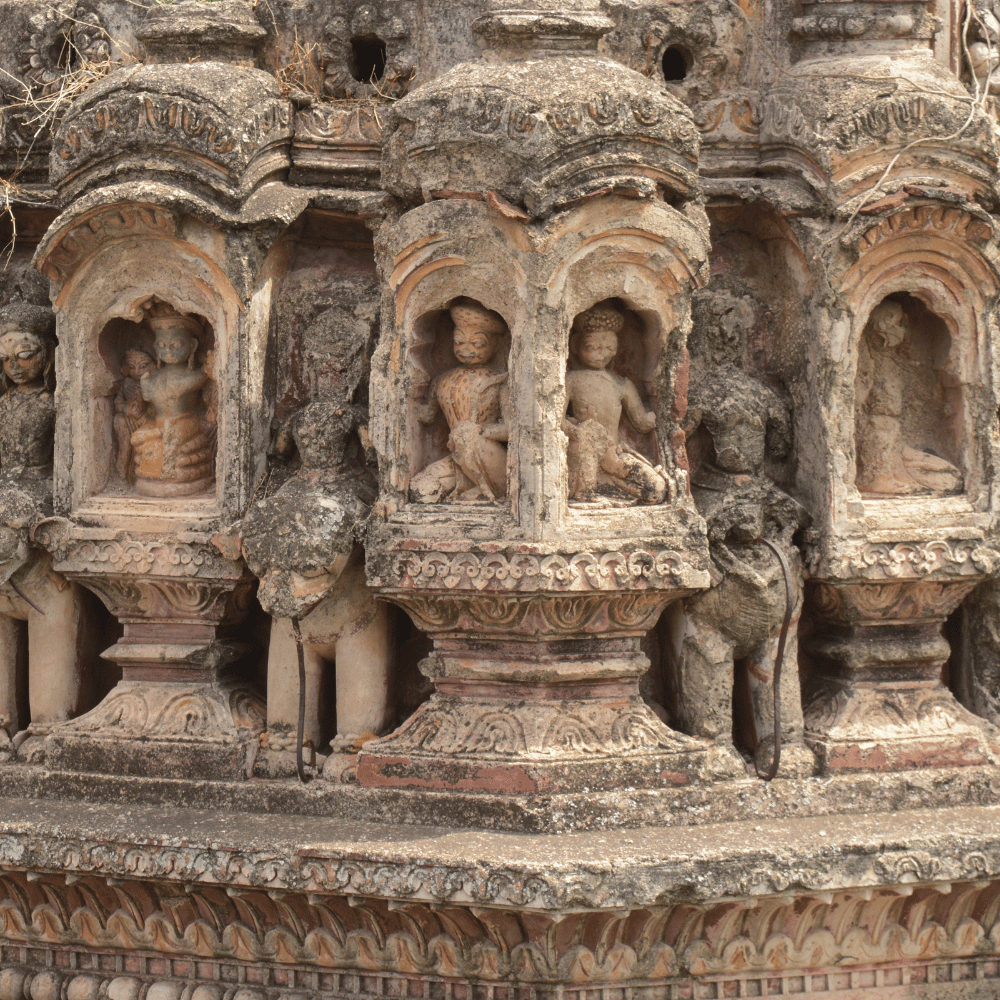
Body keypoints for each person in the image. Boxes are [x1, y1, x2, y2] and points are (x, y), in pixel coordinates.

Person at [563, 301, 669, 504]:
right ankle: (589, 492)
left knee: (656, 489)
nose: (601, 353)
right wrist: (580, 431)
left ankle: (613, 489)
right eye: (592, 347)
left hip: (614, 452)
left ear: (616, 350)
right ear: (576, 345)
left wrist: (658, 416)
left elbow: (640, 422)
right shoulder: (571, 379)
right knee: (586, 464)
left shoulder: (621, 384)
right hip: (585, 452)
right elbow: (557, 420)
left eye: (609, 347)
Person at [855, 300, 963, 495]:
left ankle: (887, 476)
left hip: (895, 441)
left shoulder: (894, 361)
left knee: (951, 477)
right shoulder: (865, 356)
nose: (903, 330)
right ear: (883, 325)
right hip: (879, 430)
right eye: (898, 324)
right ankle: (879, 478)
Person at [410, 298, 509, 503]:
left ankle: (487, 491)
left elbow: (513, 429)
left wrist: (482, 433)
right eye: (459, 342)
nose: (466, 350)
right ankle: (466, 486)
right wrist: (413, 390)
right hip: (457, 459)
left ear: (495, 345)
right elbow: (427, 416)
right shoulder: (443, 380)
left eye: (477, 344)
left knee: (469, 438)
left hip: (486, 457)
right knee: (421, 490)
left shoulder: (500, 382)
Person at [131, 302, 214, 497]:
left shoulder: (196, 375)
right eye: (161, 345)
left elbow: (187, 387)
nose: (168, 350)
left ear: (192, 345)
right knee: (139, 438)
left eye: (176, 344)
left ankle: (167, 476)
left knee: (171, 440)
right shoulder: (154, 376)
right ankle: (151, 475)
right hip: (158, 422)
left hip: (186, 421)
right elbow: (149, 398)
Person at [113, 348, 154, 482]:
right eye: (132, 367)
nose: (137, 371)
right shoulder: (126, 384)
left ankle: (146, 476)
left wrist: (145, 414)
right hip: (128, 421)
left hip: (147, 421)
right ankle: (123, 475)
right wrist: (127, 409)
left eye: (143, 366)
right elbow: (118, 403)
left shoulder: (153, 383)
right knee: (125, 447)